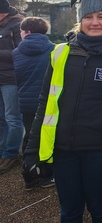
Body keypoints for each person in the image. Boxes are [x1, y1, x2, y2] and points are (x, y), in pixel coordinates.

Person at [23, 0, 102, 222]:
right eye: (88, 17)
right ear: (79, 21)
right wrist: (32, 151)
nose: (95, 22)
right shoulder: (60, 54)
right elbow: (44, 104)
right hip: (63, 150)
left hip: (99, 150)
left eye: (101, 16)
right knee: (70, 211)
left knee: (101, 208)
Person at [13, 17, 55, 190]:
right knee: (48, 137)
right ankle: (46, 176)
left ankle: (29, 176)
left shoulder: (16, 52)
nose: (20, 35)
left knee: (30, 135)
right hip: (48, 102)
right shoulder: (54, 50)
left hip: (26, 102)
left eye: (21, 32)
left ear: (28, 32)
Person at [0, 0, 24, 175]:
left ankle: (11, 153)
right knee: (2, 120)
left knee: (13, 118)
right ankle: (3, 151)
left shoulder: (17, 25)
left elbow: (21, 51)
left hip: (11, 79)